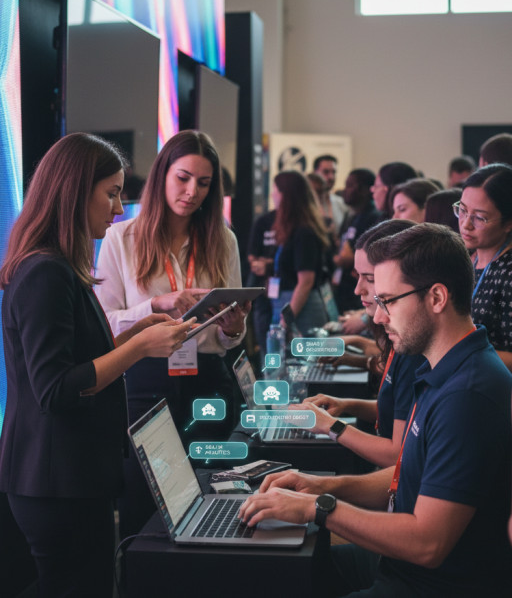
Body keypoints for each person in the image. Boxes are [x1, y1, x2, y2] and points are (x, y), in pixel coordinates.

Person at [239, 223, 512, 598]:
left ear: (436, 297)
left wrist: (318, 507)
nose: (379, 317)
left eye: (388, 301)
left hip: (432, 584)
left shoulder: (468, 395)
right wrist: (319, 486)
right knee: (270, 570)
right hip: (402, 568)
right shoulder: (443, 367)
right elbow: (408, 475)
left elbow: (427, 544)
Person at [0, 133, 193, 598]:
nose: (119, 209)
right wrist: (139, 347)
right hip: (55, 481)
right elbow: (57, 389)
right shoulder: (46, 271)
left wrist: (136, 334)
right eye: (111, 194)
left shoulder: (59, 266)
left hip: (70, 477)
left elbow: (79, 359)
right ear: (73, 192)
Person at [95, 130, 249, 537]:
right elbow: (104, 323)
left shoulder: (224, 240)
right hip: (144, 380)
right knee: (142, 501)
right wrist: (156, 305)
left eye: (204, 183)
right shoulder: (121, 238)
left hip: (210, 380)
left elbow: (231, 337)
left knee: (212, 493)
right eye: (183, 178)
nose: (192, 191)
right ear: (162, 174)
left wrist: (234, 328)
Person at [294, 220, 422, 469]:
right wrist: (345, 405)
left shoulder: (411, 347)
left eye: (369, 278)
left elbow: (397, 456)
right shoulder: (398, 340)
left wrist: (331, 426)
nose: (358, 289)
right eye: (357, 276)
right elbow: (396, 410)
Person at [455, 163, 512, 370]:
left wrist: (459, 352)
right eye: (462, 210)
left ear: (508, 223)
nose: (466, 224)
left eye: (480, 218)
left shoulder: (508, 273)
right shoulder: (467, 259)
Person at [268, 170, 334, 333]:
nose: (272, 195)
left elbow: (305, 282)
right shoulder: (294, 228)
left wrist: (286, 319)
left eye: (275, 191)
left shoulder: (304, 232)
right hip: (291, 304)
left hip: (302, 309)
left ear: (287, 196)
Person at [333, 168, 382, 313]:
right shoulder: (351, 216)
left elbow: (349, 258)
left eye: (350, 185)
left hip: (361, 293)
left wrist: (341, 259)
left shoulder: (373, 218)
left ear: (364, 190)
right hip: (344, 288)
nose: (345, 190)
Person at [246, 207, 277, 368]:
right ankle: (268, 372)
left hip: (285, 290)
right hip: (261, 289)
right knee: (263, 336)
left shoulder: (297, 222)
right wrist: (261, 265)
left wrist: (269, 264)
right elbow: (252, 255)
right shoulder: (263, 221)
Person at [312, 154, 350, 245]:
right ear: (315, 173)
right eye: (326, 172)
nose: (331, 177)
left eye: (334, 172)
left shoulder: (342, 203)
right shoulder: (305, 204)